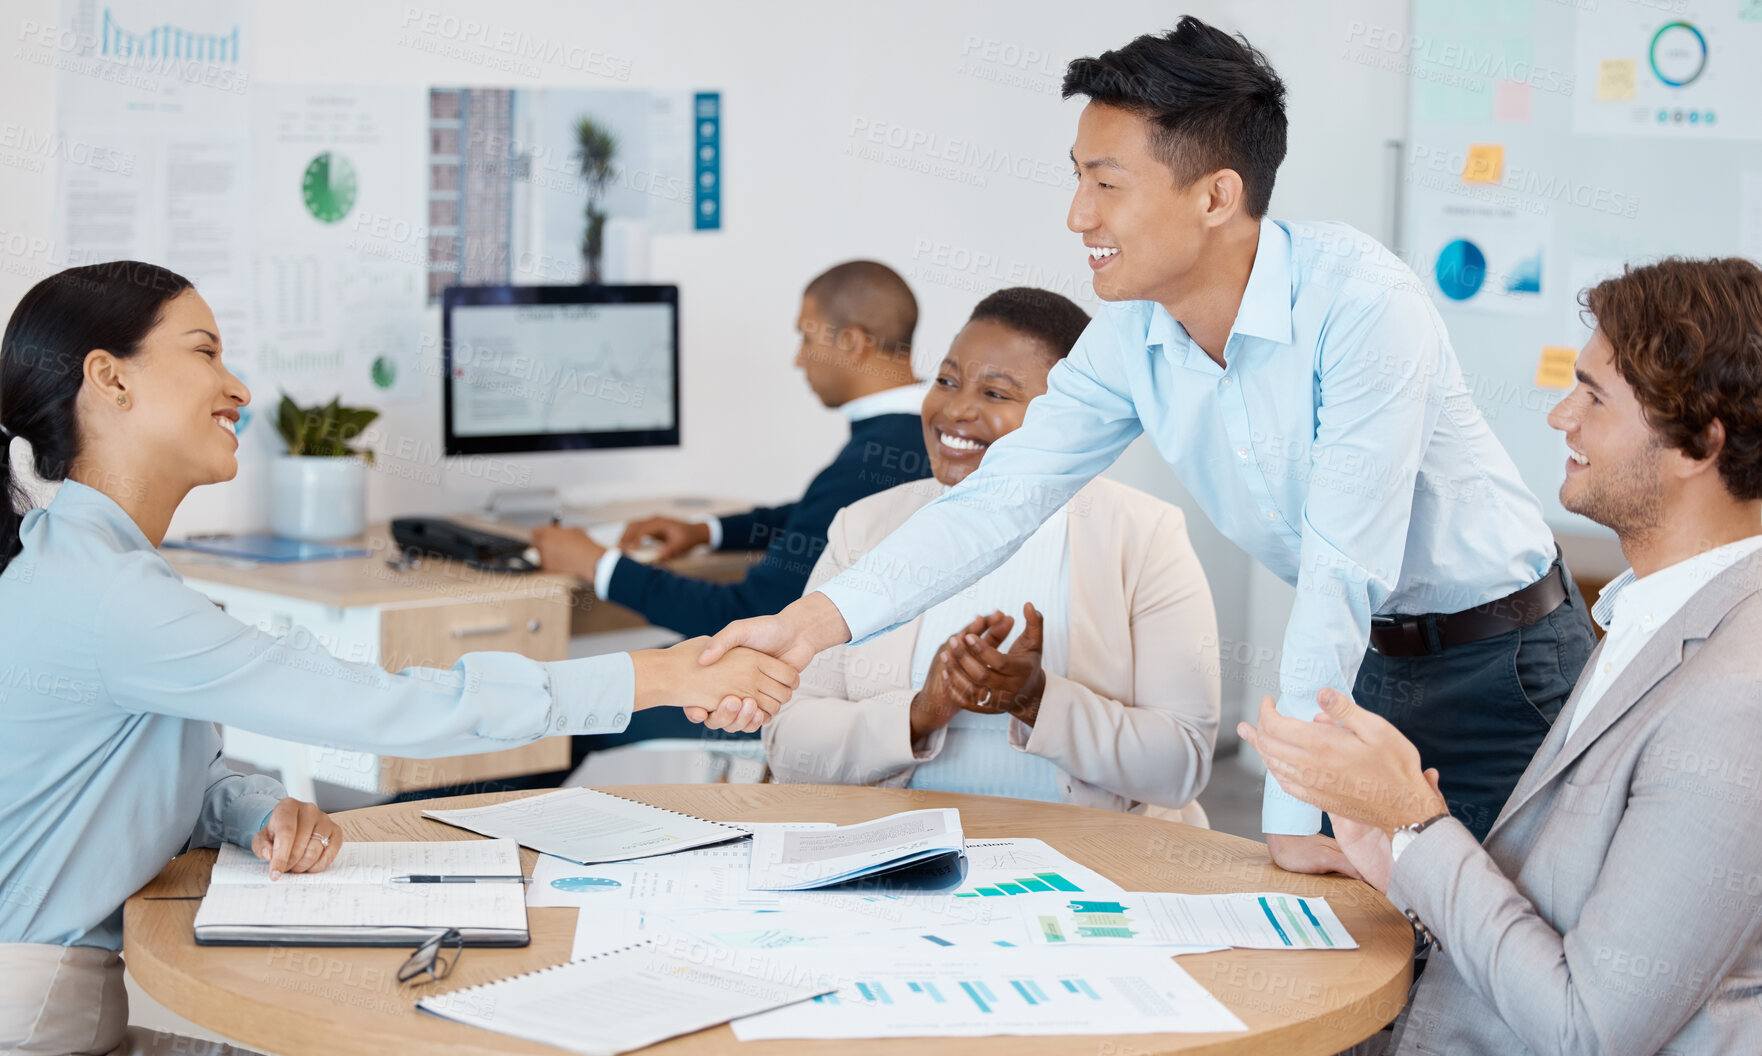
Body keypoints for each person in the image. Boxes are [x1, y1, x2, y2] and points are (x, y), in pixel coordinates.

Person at [701, 18, 1597, 877]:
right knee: (1371, 952)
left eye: (1105, 183)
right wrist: (807, 627)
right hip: (1369, 663)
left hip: (1503, 662)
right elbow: (993, 500)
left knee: (1495, 960)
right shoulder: (1133, 340)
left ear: (1215, 195)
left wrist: (1287, 815)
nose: (1076, 215)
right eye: (1076, 179)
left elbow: (1342, 567)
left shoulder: (1362, 303)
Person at [0, 262, 797, 1056]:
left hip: (64, 1031)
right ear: (108, 378)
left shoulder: (85, 566)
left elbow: (122, 767)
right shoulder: (110, 594)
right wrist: (661, 677)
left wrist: (254, 805)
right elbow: (378, 703)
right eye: (205, 352)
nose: (237, 385)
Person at [1034, 257, 1762, 1056]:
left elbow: (1590, 1037)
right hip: (1451, 1042)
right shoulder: (1655, 617)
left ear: (1702, 443)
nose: (1559, 414)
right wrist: (1395, 852)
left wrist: (1417, 825)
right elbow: (1573, 904)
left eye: (1595, 397)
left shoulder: (1735, 699)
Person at [766, 288, 1218, 813]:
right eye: (946, 380)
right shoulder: (866, 525)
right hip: (902, 865)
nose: (955, 410)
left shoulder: (1145, 535)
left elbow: (1182, 765)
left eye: (996, 394)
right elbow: (787, 743)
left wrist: (1037, 701)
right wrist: (917, 714)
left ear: (1069, 418)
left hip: (1090, 869)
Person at [529, 259, 931, 638]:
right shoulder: (923, 435)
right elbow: (823, 517)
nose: (799, 360)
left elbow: (744, 617)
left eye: (806, 338)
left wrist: (596, 564)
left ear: (852, 342)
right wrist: (708, 530)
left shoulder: (869, 461)